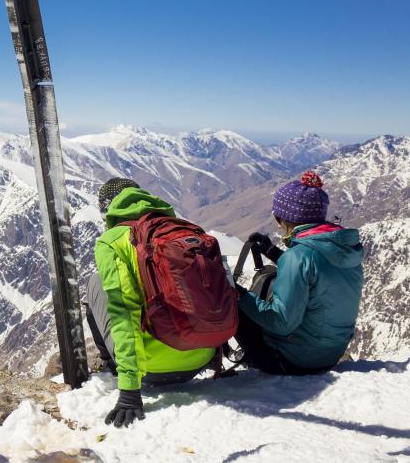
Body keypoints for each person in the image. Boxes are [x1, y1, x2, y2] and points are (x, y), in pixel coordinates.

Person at [87, 178, 217, 428]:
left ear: (106, 209)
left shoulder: (111, 242)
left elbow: (123, 313)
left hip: (152, 371)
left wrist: (129, 392)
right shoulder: (188, 229)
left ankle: (108, 362)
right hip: (202, 358)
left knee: (96, 282)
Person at [237, 171, 364, 375]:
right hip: (329, 355)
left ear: (284, 218)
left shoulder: (297, 257)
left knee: (235, 305)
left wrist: (239, 295)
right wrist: (274, 253)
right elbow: (318, 272)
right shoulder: (344, 248)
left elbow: (281, 323)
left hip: (293, 362)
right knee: (271, 275)